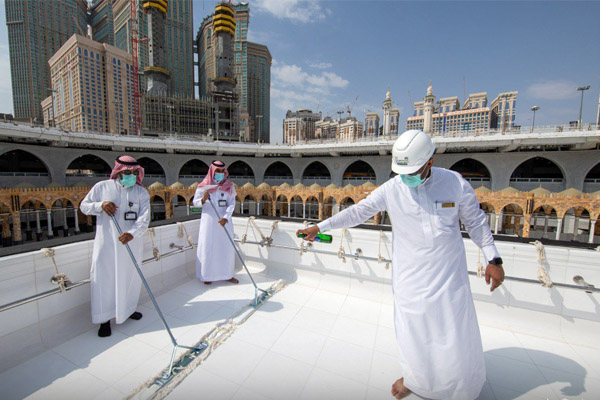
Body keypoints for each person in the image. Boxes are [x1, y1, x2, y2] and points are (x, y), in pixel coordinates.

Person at [297, 130, 505, 400]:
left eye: (413, 171)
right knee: (413, 331)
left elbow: (475, 221)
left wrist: (493, 258)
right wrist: (321, 226)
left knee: (453, 330)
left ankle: (460, 385)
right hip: (411, 276)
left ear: (430, 162)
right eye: (402, 172)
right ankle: (416, 379)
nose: (407, 178)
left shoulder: (454, 183)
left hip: (448, 274)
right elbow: (358, 211)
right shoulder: (393, 189)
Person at [80, 156, 150, 337]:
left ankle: (128, 309)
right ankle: (104, 319)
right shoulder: (102, 187)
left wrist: (132, 233)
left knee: (130, 277)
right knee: (105, 279)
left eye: (135, 173)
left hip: (131, 243)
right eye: (128, 172)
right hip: (108, 244)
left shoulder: (141, 192)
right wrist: (100, 205)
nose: (132, 176)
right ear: (119, 171)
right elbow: (84, 206)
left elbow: (144, 218)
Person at [193, 160, 239, 285]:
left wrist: (226, 217)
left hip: (224, 222)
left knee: (226, 247)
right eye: (217, 171)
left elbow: (232, 203)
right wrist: (203, 199)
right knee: (209, 247)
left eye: (222, 171)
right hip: (209, 223)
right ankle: (207, 275)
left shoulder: (229, 186)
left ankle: (227, 274)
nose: (220, 173)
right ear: (212, 171)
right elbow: (195, 203)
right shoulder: (204, 186)